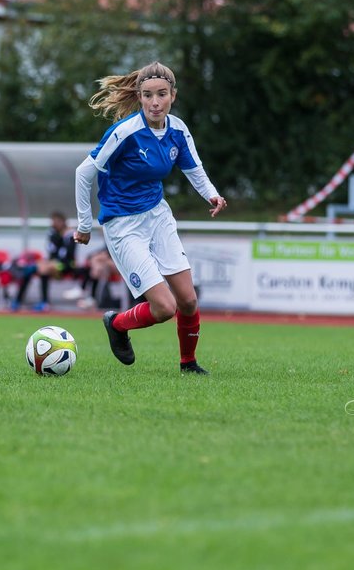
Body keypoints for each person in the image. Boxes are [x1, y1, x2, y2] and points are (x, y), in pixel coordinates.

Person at [73, 60, 227, 374]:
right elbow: (83, 173)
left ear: (173, 95)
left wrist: (211, 193)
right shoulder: (125, 132)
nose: (154, 102)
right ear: (140, 97)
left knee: (187, 300)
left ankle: (188, 364)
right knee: (164, 308)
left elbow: (193, 168)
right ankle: (116, 324)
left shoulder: (178, 129)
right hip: (122, 224)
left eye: (161, 94)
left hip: (157, 215)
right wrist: (84, 225)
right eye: (147, 95)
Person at [12, 211, 78, 312]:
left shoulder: (70, 235)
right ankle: (18, 300)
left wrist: (52, 262)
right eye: (53, 221)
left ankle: (44, 302)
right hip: (52, 264)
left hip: (67, 266)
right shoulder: (53, 234)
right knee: (38, 269)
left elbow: (68, 256)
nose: (54, 224)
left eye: (56, 221)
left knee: (43, 269)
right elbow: (51, 253)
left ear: (63, 222)